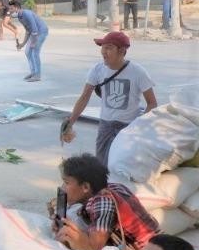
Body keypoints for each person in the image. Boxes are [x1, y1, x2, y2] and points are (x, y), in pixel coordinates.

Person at [63, 31, 157, 166]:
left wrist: (139, 127)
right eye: (102, 47)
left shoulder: (138, 72)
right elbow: (84, 97)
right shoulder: (98, 70)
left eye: (109, 48)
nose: (103, 52)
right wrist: (70, 123)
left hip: (128, 127)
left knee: (122, 165)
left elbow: (152, 103)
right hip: (105, 126)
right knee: (101, 166)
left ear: (122, 50)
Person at [54, 154, 160, 250]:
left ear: (85, 187)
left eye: (66, 182)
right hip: (157, 247)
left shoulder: (103, 202)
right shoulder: (113, 188)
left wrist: (71, 236)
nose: (62, 187)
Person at [8, 0, 48, 82]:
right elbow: (28, 31)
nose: (10, 11)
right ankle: (33, 72)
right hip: (34, 33)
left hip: (41, 32)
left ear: (17, 8)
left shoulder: (27, 14)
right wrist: (22, 44)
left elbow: (34, 29)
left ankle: (37, 75)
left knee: (34, 52)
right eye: (10, 9)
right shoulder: (20, 17)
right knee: (27, 52)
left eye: (11, 9)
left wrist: (33, 42)